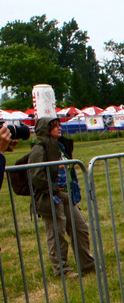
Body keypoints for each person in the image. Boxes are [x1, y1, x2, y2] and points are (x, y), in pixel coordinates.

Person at [29, 117, 96, 278]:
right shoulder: (40, 149)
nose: (59, 128)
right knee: (57, 234)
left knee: (80, 228)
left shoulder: (61, 146)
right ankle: (61, 269)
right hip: (51, 197)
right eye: (54, 126)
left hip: (67, 196)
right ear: (45, 129)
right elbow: (36, 176)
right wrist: (55, 190)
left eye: (59, 125)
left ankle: (87, 264)